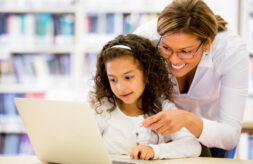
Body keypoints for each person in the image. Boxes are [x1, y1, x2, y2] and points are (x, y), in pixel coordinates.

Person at [133, 0, 249, 157]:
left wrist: (187, 119)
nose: (174, 60)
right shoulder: (147, 39)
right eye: (166, 48)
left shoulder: (230, 50)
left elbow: (230, 136)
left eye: (185, 51)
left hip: (214, 134)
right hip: (167, 138)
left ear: (207, 43)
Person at [89, 34, 201, 160]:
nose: (120, 87)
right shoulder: (102, 107)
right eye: (113, 79)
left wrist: (154, 150)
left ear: (147, 74)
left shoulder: (162, 107)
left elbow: (192, 145)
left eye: (128, 77)